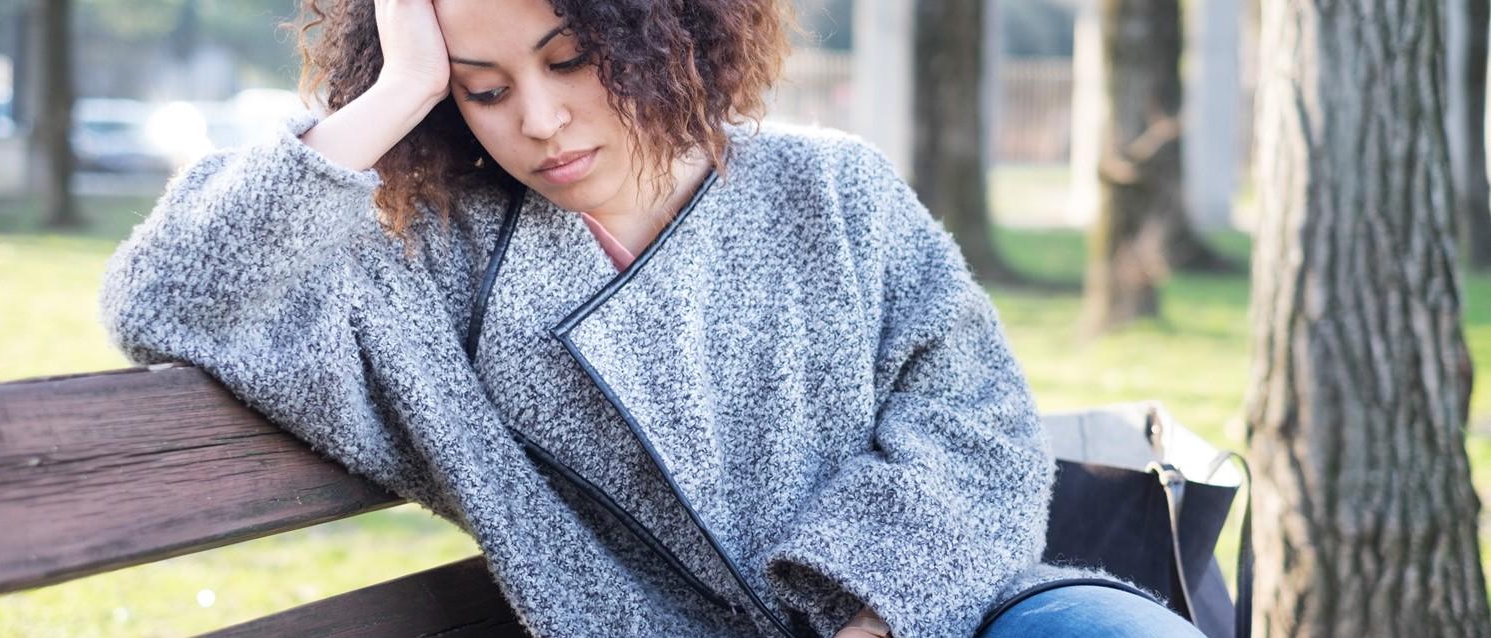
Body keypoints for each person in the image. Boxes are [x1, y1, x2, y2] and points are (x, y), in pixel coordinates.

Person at [96, 1, 1207, 636]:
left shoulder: (832, 191)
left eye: (571, 59)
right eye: (480, 88)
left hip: (938, 618)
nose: (539, 119)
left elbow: (972, 423)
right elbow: (168, 296)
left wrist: (879, 613)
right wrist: (388, 95)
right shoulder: (432, 275)